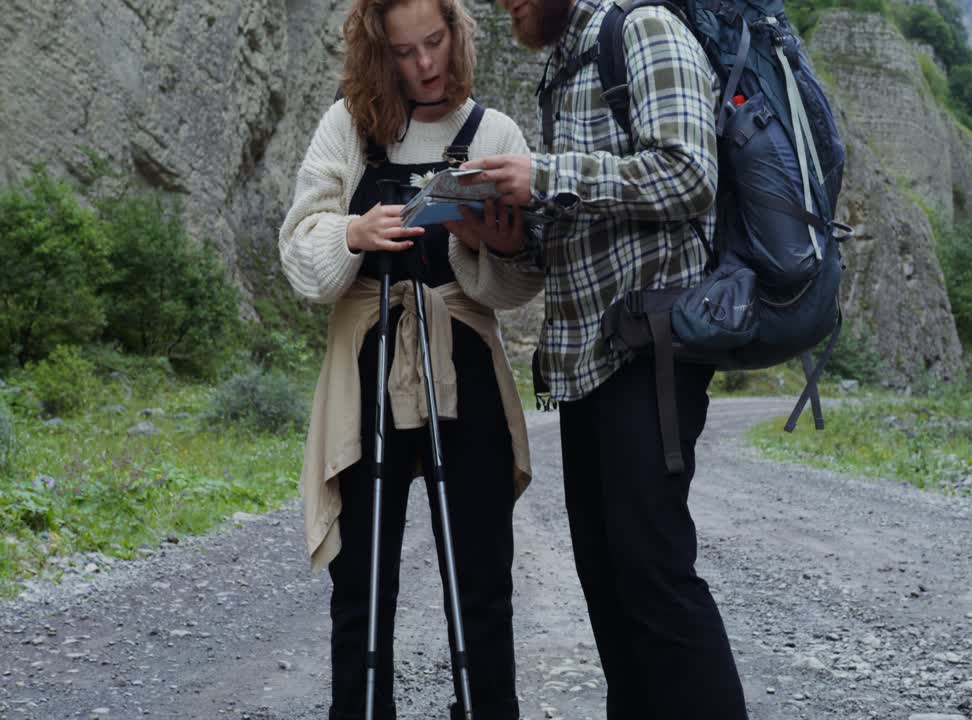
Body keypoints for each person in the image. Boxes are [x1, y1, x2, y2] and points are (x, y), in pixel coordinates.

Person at [460, 0, 751, 716]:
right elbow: (590, 225)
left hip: (650, 351)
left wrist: (547, 174)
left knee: (654, 582)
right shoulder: (567, 62)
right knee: (612, 588)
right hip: (588, 363)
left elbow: (689, 172)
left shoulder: (642, 25)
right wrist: (508, 238)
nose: (505, 5)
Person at [276, 0, 543, 715]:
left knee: (481, 573)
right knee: (362, 579)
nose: (424, 65)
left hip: (465, 357)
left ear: (458, 34)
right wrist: (353, 234)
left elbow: (517, 286)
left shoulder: (495, 132)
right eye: (403, 52)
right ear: (376, 52)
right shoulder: (348, 128)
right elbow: (300, 254)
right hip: (369, 355)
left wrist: (491, 242)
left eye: (434, 43)